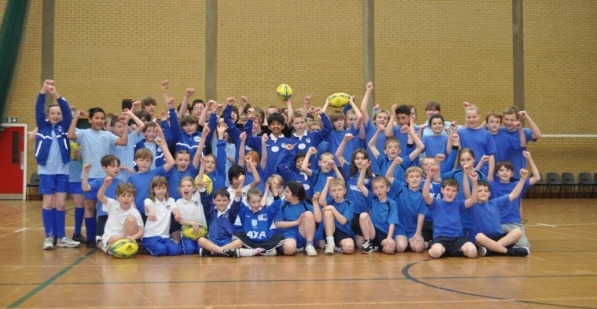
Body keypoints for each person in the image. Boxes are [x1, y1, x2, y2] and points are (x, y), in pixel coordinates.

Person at [68, 105, 129, 248]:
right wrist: (76, 118)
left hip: (105, 178)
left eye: (102, 118)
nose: (100, 120)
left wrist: (125, 125)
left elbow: (123, 141)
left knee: (105, 207)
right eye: (96, 118)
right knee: (89, 207)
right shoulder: (83, 133)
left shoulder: (106, 135)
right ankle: (90, 236)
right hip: (89, 177)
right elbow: (70, 135)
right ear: (90, 119)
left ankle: (101, 234)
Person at [35, 80, 80, 249]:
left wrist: (56, 94)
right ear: (48, 115)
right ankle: (49, 237)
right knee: (48, 203)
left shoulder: (64, 127)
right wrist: (42, 92)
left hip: (63, 169)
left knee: (60, 204)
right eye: (53, 113)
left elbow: (68, 112)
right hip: (46, 170)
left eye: (58, 113)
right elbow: (38, 109)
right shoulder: (42, 126)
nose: (56, 115)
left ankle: (61, 237)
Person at [422, 164, 479, 259]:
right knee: (436, 253)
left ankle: (451, 250)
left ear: (457, 193)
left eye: (453, 191)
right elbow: (425, 195)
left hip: (457, 238)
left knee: (472, 252)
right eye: (447, 190)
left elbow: (473, 200)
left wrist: (474, 182)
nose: (450, 193)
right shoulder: (436, 203)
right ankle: (433, 245)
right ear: (442, 190)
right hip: (441, 237)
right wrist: (429, 176)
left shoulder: (459, 204)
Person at [469, 171, 530, 257]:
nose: (483, 193)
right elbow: (467, 193)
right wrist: (474, 181)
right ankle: (509, 252)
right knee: (479, 236)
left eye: (486, 191)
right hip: (483, 240)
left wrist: (523, 179)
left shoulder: (495, 203)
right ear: (475, 193)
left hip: (498, 237)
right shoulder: (473, 205)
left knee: (517, 231)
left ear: (489, 193)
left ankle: (491, 250)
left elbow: (514, 194)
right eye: (479, 191)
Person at [491, 151, 541, 248]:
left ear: (512, 173)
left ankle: (497, 247)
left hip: (513, 223)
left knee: (523, 245)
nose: (504, 172)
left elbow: (537, 177)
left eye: (507, 170)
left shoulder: (518, 184)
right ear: (497, 174)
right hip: (497, 223)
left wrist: (529, 158)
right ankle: (500, 246)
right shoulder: (492, 186)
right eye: (501, 170)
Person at [197, 186, 263, 258]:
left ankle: (214, 251)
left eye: (224, 200)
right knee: (201, 240)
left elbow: (235, 207)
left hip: (227, 242)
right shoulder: (210, 212)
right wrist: (202, 189)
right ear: (214, 201)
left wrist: (237, 197)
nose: (221, 203)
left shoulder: (231, 213)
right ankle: (225, 251)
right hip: (213, 241)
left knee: (239, 242)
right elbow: (205, 202)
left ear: (229, 201)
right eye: (218, 200)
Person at [128, 128, 175, 222]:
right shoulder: (132, 178)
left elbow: (171, 163)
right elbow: (130, 197)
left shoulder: (155, 172)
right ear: (136, 161)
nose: (144, 163)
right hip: (139, 213)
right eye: (141, 160)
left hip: (156, 212)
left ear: (151, 162)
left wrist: (162, 145)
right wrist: (134, 212)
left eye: (147, 161)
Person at [336, 134, 374, 249]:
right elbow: (338, 155)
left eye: (363, 158)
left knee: (360, 245)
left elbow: (372, 198)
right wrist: (344, 140)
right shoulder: (349, 171)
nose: (360, 161)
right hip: (350, 214)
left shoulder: (371, 177)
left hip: (363, 214)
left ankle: (369, 242)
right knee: (354, 245)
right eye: (357, 158)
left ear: (367, 161)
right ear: (353, 160)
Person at [357, 162, 398, 254]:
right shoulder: (372, 198)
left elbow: (392, 223)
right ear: (373, 190)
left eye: (381, 187)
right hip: (373, 232)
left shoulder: (391, 203)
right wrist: (363, 169)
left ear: (387, 189)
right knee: (363, 215)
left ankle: (378, 247)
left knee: (390, 249)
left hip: (384, 234)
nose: (379, 190)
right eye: (376, 188)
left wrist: (389, 237)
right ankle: (369, 243)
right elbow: (360, 185)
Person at [82, 156, 123, 248]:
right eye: (113, 166)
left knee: (117, 239)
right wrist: (86, 173)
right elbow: (85, 188)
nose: (116, 168)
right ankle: (106, 248)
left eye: (117, 166)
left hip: (117, 217)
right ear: (105, 168)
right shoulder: (99, 182)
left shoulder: (121, 183)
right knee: (100, 241)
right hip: (103, 217)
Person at [385, 163, 428, 253]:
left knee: (418, 249)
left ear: (422, 179)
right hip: (400, 227)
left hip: (413, 229)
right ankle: (406, 242)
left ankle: (427, 243)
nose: (414, 179)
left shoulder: (423, 195)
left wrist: (418, 233)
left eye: (417, 176)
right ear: (406, 179)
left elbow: (421, 215)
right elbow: (388, 176)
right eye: (411, 177)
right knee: (401, 247)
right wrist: (395, 163)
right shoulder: (401, 187)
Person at [96, 177, 144, 255]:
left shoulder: (135, 212)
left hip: (127, 236)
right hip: (112, 235)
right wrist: (105, 185)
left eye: (129, 196)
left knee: (131, 219)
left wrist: (133, 237)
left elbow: (141, 231)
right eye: (123, 196)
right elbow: (100, 196)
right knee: (116, 238)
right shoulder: (112, 204)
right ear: (118, 197)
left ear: (133, 198)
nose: (126, 198)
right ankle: (107, 245)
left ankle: (112, 247)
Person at [233, 188, 285, 256]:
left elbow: (277, 204)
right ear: (247, 201)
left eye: (259, 201)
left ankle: (254, 251)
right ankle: (264, 251)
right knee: (237, 234)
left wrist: (273, 187)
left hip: (265, 241)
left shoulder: (267, 211)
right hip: (250, 241)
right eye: (253, 202)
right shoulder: (244, 211)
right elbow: (238, 204)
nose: (256, 204)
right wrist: (238, 195)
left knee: (280, 236)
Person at [274, 181, 319, 256]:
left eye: (287, 192)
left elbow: (318, 219)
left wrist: (315, 202)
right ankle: (295, 247)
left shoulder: (305, 203)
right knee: (289, 249)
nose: (284, 193)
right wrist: (296, 222)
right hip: (288, 233)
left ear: (295, 197)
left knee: (308, 214)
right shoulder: (281, 204)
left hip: (302, 232)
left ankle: (309, 245)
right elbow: (277, 224)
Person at [142, 176, 183, 256]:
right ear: (153, 190)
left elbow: (175, 209)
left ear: (167, 189)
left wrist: (177, 214)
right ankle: (144, 245)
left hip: (165, 236)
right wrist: (151, 212)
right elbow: (148, 207)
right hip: (150, 236)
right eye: (158, 188)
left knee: (176, 251)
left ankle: (164, 246)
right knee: (161, 251)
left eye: (164, 188)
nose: (161, 191)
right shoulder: (149, 201)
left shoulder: (170, 200)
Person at [317, 177, 356, 255]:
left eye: (339, 190)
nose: (337, 193)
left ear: (344, 191)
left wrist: (332, 208)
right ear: (330, 193)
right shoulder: (329, 201)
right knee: (327, 212)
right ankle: (330, 243)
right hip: (330, 232)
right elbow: (321, 202)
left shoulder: (349, 204)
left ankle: (337, 247)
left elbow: (343, 221)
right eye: (333, 191)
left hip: (343, 233)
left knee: (349, 248)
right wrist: (327, 183)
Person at [457, 104, 497, 181]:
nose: (471, 119)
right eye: (469, 117)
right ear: (465, 118)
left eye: (474, 117)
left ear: (479, 117)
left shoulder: (486, 134)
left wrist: (490, 174)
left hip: (482, 172)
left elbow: (491, 155)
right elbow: (457, 150)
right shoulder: (460, 133)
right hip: (464, 171)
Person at [501, 107, 541, 178]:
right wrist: (491, 117)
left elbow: (537, 135)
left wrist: (527, 118)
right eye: (506, 119)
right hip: (501, 174)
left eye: (512, 120)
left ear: (518, 120)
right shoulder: (499, 131)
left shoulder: (523, 131)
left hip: (518, 174)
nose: (508, 122)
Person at [172, 176, 207, 255]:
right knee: (189, 250)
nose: (186, 188)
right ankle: (179, 244)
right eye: (183, 186)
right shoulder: (178, 202)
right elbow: (180, 220)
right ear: (180, 189)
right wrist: (193, 223)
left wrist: (202, 165)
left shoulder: (198, 197)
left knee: (200, 250)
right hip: (187, 233)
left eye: (189, 186)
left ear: (194, 188)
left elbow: (200, 181)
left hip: (201, 232)